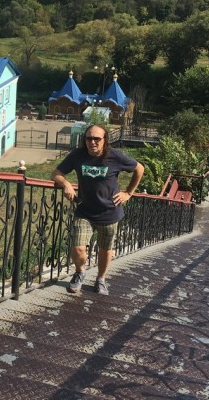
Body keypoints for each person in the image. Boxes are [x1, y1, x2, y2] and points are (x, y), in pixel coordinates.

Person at [51, 124, 144, 295]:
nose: (92, 142)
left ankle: (101, 279)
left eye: (97, 139)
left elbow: (139, 168)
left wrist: (128, 193)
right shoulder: (78, 155)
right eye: (89, 138)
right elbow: (56, 173)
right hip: (84, 211)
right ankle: (80, 272)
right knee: (78, 247)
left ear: (105, 140)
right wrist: (65, 184)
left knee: (105, 249)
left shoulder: (115, 156)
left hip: (110, 212)